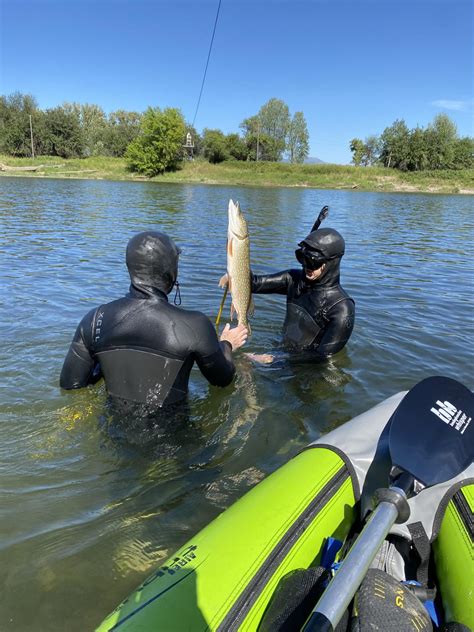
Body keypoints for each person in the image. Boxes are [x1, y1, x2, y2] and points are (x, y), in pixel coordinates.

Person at [60, 231, 248, 412]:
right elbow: (222, 380)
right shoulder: (195, 324)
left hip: (112, 437)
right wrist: (226, 344)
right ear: (172, 272)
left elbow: (71, 385)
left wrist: (105, 360)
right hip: (177, 439)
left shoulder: (94, 320)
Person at [250, 226, 355, 359]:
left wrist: (274, 358)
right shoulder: (294, 280)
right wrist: (235, 262)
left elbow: (323, 357)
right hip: (281, 352)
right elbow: (253, 284)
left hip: (308, 371)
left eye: (312, 261)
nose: (306, 266)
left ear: (331, 263)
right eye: (302, 258)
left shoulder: (341, 309)